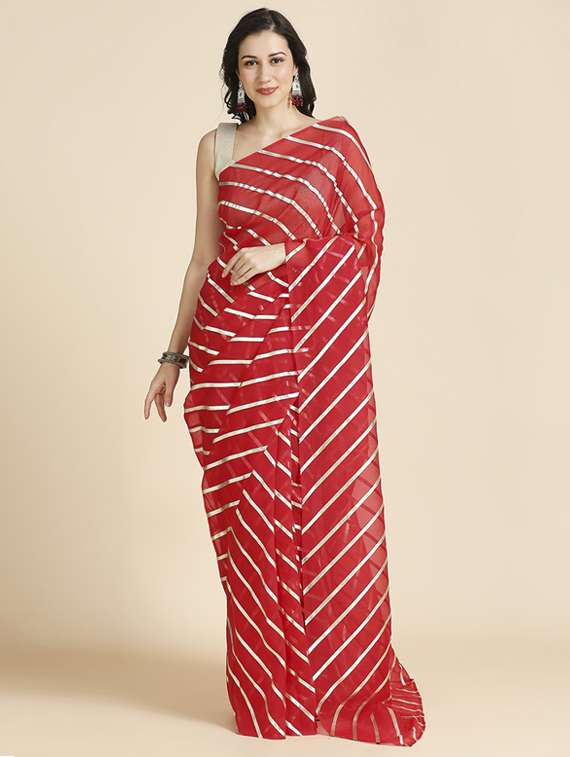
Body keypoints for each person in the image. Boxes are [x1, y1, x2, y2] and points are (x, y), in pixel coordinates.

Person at [144, 7, 426, 746]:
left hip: (315, 363)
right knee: (252, 524)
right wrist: (172, 357)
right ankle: (270, 690)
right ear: (234, 73)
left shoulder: (334, 144)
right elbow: (202, 257)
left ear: (295, 65)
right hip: (232, 354)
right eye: (249, 62)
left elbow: (364, 238)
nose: (264, 75)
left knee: (327, 507)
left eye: (275, 60)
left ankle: (337, 680)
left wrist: (285, 253)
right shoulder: (215, 147)